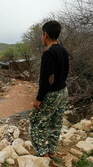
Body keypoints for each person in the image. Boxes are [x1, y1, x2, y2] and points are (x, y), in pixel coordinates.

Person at [29, 20, 69, 159]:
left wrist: (39, 98)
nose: (41, 37)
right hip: (63, 91)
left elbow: (48, 79)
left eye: (41, 35)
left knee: (36, 124)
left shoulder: (48, 52)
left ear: (45, 34)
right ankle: (52, 152)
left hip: (52, 94)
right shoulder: (63, 50)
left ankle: (42, 155)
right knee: (56, 123)